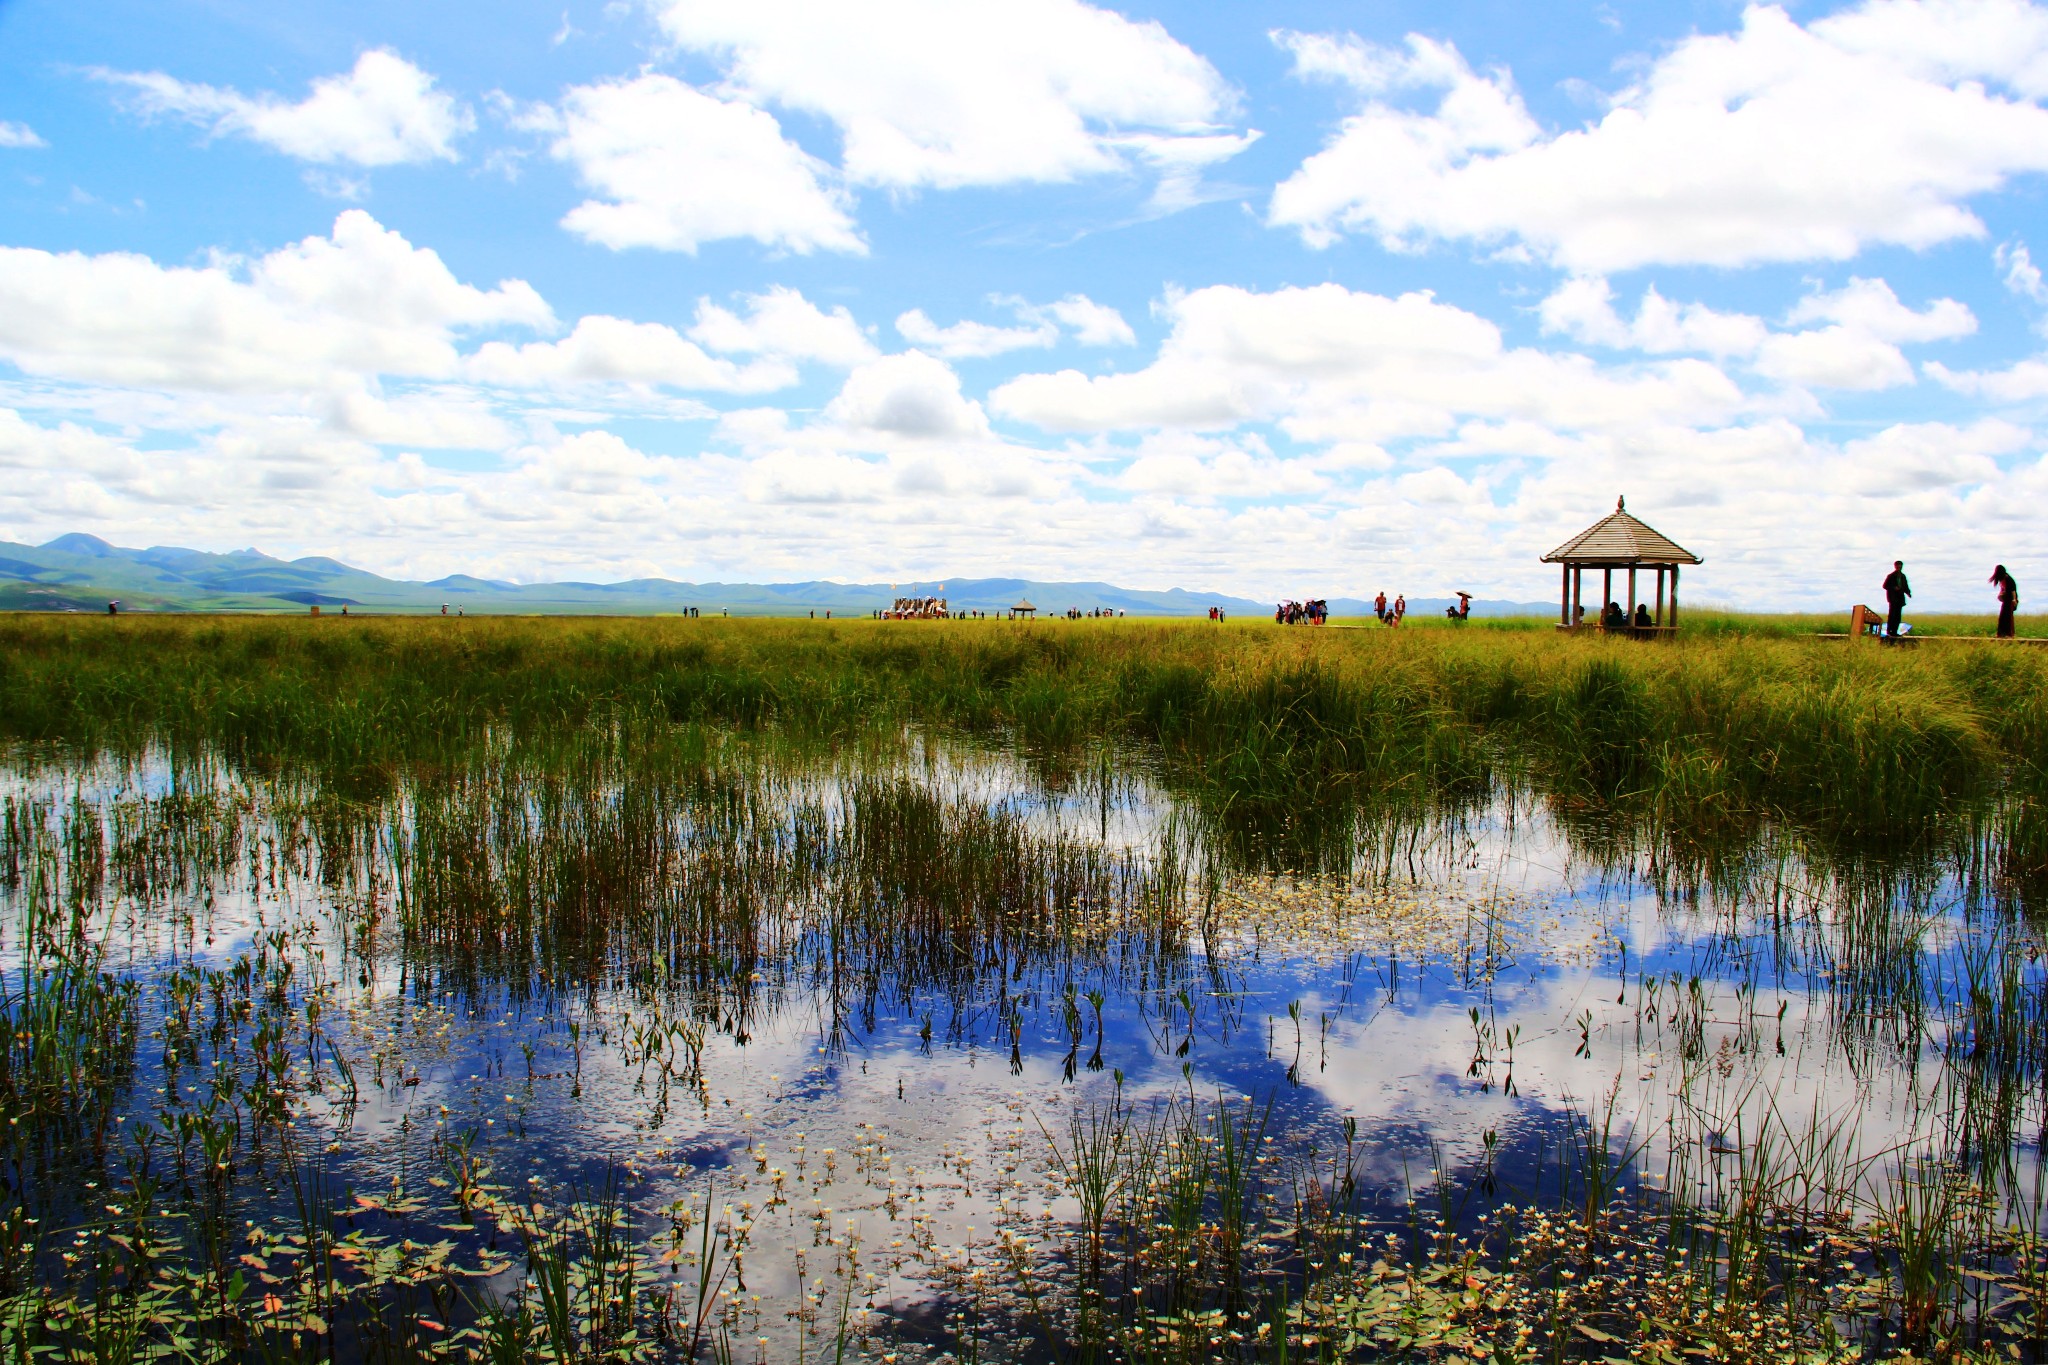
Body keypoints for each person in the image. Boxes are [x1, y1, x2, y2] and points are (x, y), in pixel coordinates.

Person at [1882, 560, 1911, 642]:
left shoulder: (1903, 576)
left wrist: (1908, 593)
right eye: (1897, 566)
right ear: (1895, 566)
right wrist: (1894, 587)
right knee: (1892, 615)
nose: (1899, 567)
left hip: (1900, 598)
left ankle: (1894, 631)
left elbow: (1905, 586)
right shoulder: (1891, 576)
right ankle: (1889, 631)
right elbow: (1885, 586)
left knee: (1898, 616)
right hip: (1892, 598)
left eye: (1900, 566)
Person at [1992, 564, 2020, 639]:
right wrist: (2000, 595)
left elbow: (2013, 590)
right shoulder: (2002, 579)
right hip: (2006, 599)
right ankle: (2001, 633)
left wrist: (2014, 600)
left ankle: (2010, 634)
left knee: (2008, 616)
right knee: (2002, 616)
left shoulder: (2007, 578)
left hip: (2010, 599)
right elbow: (2003, 589)